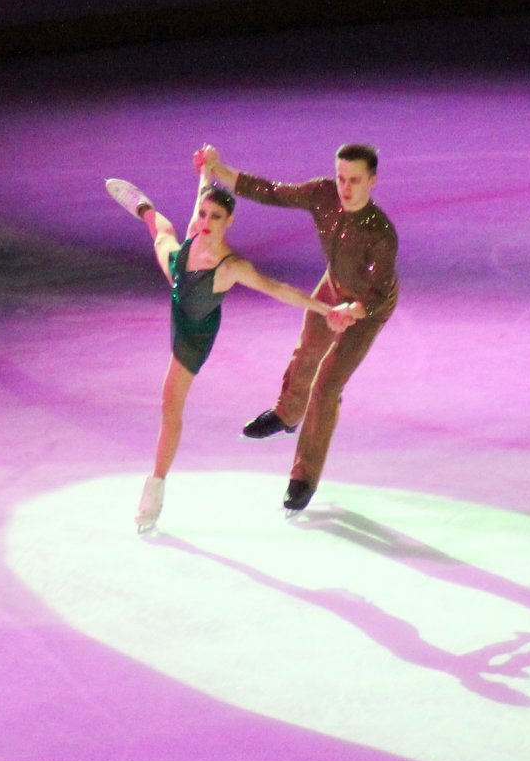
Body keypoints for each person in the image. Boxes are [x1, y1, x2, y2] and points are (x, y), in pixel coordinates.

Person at [106, 168, 355, 532]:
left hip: (194, 333)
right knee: (162, 232)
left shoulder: (231, 267)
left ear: (230, 221)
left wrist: (325, 309)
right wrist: (207, 167)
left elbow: (280, 289)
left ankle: (154, 488)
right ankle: (142, 205)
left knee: (169, 404)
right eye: (203, 214)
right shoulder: (197, 231)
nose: (205, 221)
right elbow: (201, 197)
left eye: (215, 217)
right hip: (181, 276)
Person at [194, 142, 398, 515]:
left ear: (372, 181)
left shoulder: (381, 233)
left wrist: (351, 311)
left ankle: (304, 476)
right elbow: (272, 191)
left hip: (368, 308)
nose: (345, 188)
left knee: (327, 384)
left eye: (354, 180)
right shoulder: (322, 194)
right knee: (308, 346)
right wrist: (220, 170)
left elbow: (379, 291)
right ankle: (287, 413)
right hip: (334, 284)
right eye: (340, 178)